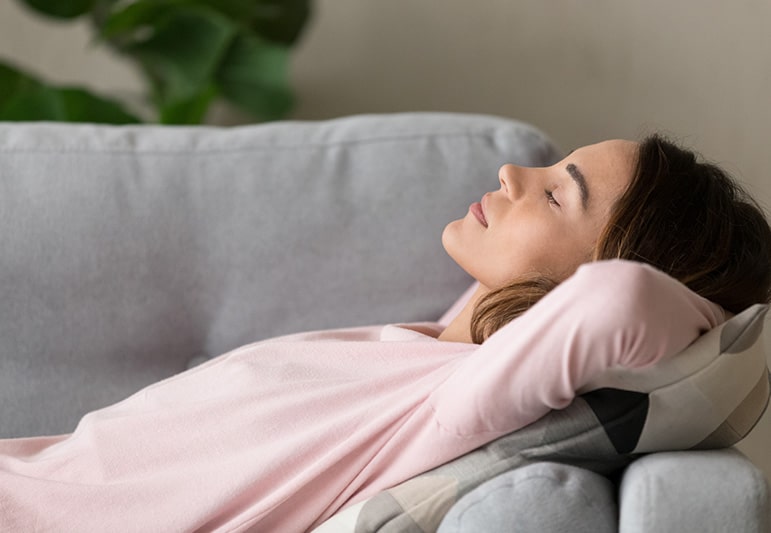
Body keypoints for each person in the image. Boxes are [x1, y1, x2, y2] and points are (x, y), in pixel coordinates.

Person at [1, 134, 769, 532]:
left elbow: (622, 296)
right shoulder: (434, 345)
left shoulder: (457, 401)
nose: (512, 173)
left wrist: (717, 303)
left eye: (556, 194)